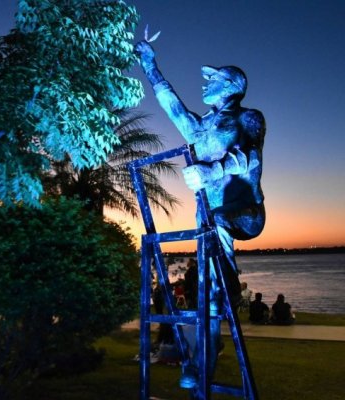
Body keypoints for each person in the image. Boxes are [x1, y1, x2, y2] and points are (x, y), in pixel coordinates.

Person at [135, 39, 266, 388]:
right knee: (206, 296)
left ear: (232, 88)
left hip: (243, 213)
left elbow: (252, 157)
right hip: (208, 219)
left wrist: (213, 171)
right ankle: (201, 364)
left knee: (216, 228)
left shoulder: (247, 118)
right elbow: (172, 106)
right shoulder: (200, 128)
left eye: (214, 80)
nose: (205, 84)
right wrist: (150, 65)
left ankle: (230, 285)